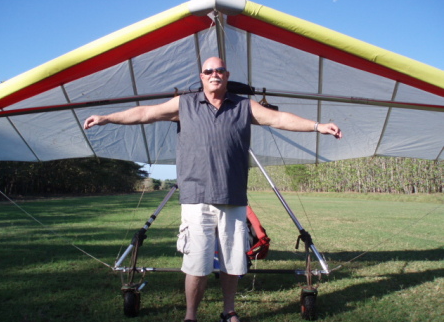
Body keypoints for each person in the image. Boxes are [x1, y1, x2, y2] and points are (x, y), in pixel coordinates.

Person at [84, 57, 342, 322]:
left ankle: (228, 311)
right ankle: (190, 316)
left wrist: (317, 126)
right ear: (201, 76)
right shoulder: (184, 104)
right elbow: (145, 113)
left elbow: (279, 119)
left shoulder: (243, 106)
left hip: (232, 197)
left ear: (227, 75)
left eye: (219, 70)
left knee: (233, 262)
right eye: (209, 71)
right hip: (196, 199)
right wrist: (107, 118)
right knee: (197, 264)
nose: (214, 74)